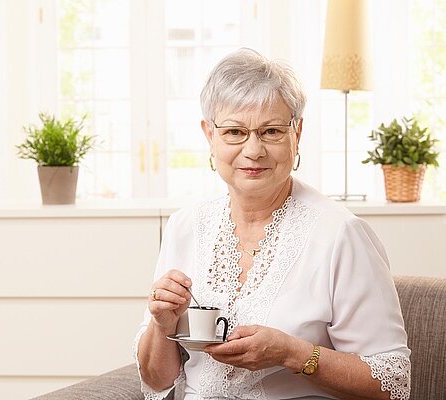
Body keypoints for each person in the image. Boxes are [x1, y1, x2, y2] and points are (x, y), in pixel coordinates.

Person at [133, 48, 411, 400]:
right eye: (235, 132)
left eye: (271, 131)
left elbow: (393, 383)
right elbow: (157, 382)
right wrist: (161, 325)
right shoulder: (184, 226)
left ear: (298, 133)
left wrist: (291, 353)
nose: (253, 150)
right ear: (209, 136)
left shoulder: (341, 234)